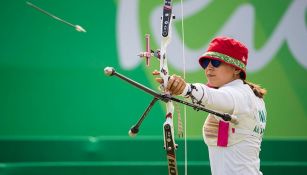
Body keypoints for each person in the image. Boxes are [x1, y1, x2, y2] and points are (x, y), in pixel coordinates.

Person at [156, 36, 267, 175]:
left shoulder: (240, 96)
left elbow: (214, 97)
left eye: (215, 62)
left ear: (236, 69)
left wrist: (186, 89)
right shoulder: (249, 95)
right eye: (206, 62)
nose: (209, 67)